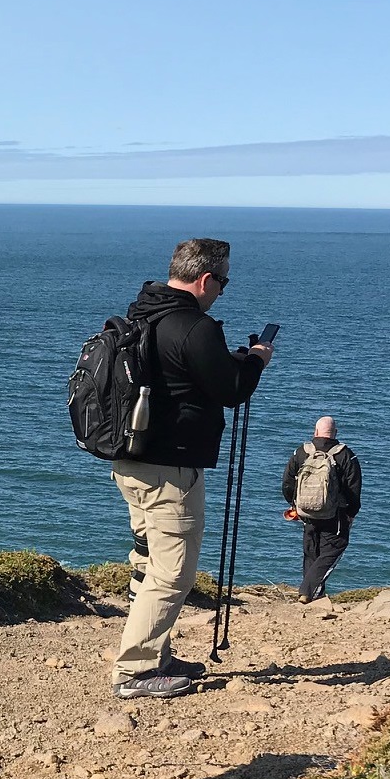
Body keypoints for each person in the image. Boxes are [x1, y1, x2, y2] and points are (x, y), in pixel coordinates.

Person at [106, 238, 272, 700]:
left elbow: (182, 375)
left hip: (129, 460)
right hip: (170, 469)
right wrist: (257, 359)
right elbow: (232, 389)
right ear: (205, 279)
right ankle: (135, 671)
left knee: (147, 561)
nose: (222, 290)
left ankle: (155, 653)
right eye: (223, 281)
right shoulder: (195, 327)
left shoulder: (142, 313)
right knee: (173, 571)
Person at [281, 415, 362, 603]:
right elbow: (354, 489)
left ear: (315, 432)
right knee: (333, 549)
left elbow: (287, 483)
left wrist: (295, 505)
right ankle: (307, 591)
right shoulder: (346, 455)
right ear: (335, 433)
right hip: (335, 515)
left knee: (311, 551)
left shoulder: (302, 452)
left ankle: (311, 594)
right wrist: (351, 514)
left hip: (306, 513)